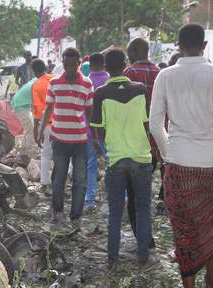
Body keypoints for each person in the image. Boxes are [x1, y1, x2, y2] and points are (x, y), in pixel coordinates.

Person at [150, 23, 213, 288]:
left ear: (179, 46)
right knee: (208, 221)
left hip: (179, 164)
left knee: (183, 228)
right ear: (205, 45)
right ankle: (211, 276)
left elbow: (155, 124)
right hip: (212, 163)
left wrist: (168, 154)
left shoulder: (165, 76)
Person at [90, 48, 156, 273]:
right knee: (143, 207)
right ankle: (142, 257)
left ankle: (112, 260)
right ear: (125, 64)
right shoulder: (140, 90)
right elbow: (146, 124)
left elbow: (97, 130)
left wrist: (103, 151)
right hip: (140, 157)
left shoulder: (100, 93)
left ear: (106, 68)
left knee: (115, 211)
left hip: (116, 158)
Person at [36, 48, 94, 231]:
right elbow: (48, 109)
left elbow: (90, 112)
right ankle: (58, 215)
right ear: (63, 63)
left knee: (80, 180)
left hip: (80, 141)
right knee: (58, 178)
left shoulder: (87, 84)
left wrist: (94, 137)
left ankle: (75, 218)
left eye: (72, 65)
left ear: (78, 64)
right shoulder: (54, 83)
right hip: (59, 139)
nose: (69, 68)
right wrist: (40, 130)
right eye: (66, 64)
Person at [125, 37, 160, 248]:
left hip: (132, 143)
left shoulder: (128, 75)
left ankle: (143, 237)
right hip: (153, 144)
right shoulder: (160, 74)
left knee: (133, 193)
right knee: (144, 193)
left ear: (136, 51)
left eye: (130, 52)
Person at [84, 52, 110, 210]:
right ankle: (111, 198)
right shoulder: (110, 80)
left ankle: (90, 200)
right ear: (104, 63)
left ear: (90, 65)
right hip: (109, 131)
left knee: (91, 165)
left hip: (89, 132)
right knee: (111, 165)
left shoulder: (87, 82)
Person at [31, 59, 55, 194]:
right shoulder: (56, 79)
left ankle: (45, 183)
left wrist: (36, 130)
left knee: (46, 154)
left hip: (48, 124)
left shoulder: (36, 85)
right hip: (63, 122)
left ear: (33, 71)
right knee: (62, 154)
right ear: (46, 67)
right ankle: (62, 181)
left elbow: (38, 110)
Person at [11, 76, 36, 159]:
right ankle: (29, 153)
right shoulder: (39, 83)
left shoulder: (36, 80)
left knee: (29, 128)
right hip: (20, 106)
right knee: (30, 129)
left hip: (22, 104)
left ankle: (24, 151)